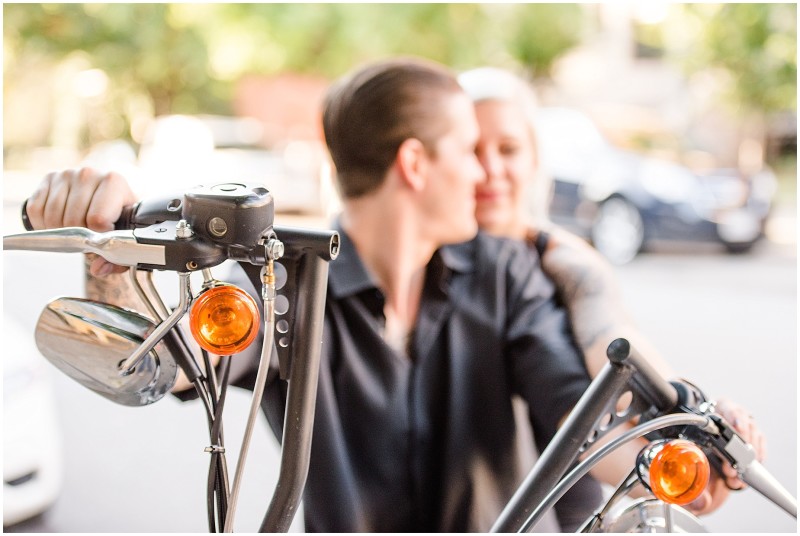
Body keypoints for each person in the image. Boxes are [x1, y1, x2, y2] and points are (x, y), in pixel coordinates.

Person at [25, 57, 759, 531]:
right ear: (415, 163)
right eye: (468, 150)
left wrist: (682, 454)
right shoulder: (278, 283)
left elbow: (584, 420)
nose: (486, 175)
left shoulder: (509, 276)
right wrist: (105, 241)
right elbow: (168, 361)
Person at [458, 65, 765, 516]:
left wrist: (696, 425)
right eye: (471, 149)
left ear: (535, 158)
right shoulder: (421, 267)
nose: (491, 169)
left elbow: (615, 352)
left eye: (508, 148)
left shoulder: (566, 261)